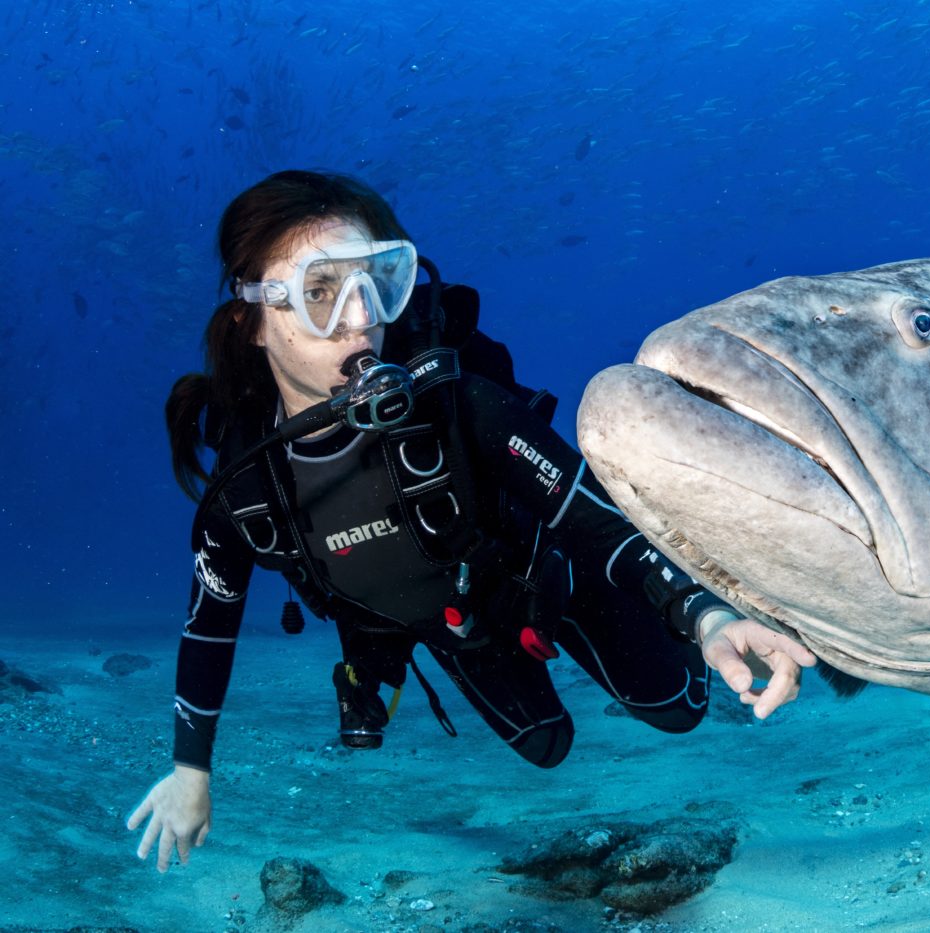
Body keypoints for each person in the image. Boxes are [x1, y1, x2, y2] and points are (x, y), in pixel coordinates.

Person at [126, 170, 816, 872]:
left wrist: (706, 616)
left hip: (533, 566)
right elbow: (209, 624)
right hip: (452, 625)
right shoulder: (246, 492)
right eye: (321, 293)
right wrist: (191, 772)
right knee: (546, 746)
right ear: (252, 322)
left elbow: (590, 513)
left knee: (677, 706)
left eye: (377, 283)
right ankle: (390, 660)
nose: (362, 318)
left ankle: (585, 597)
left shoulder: (460, 405)